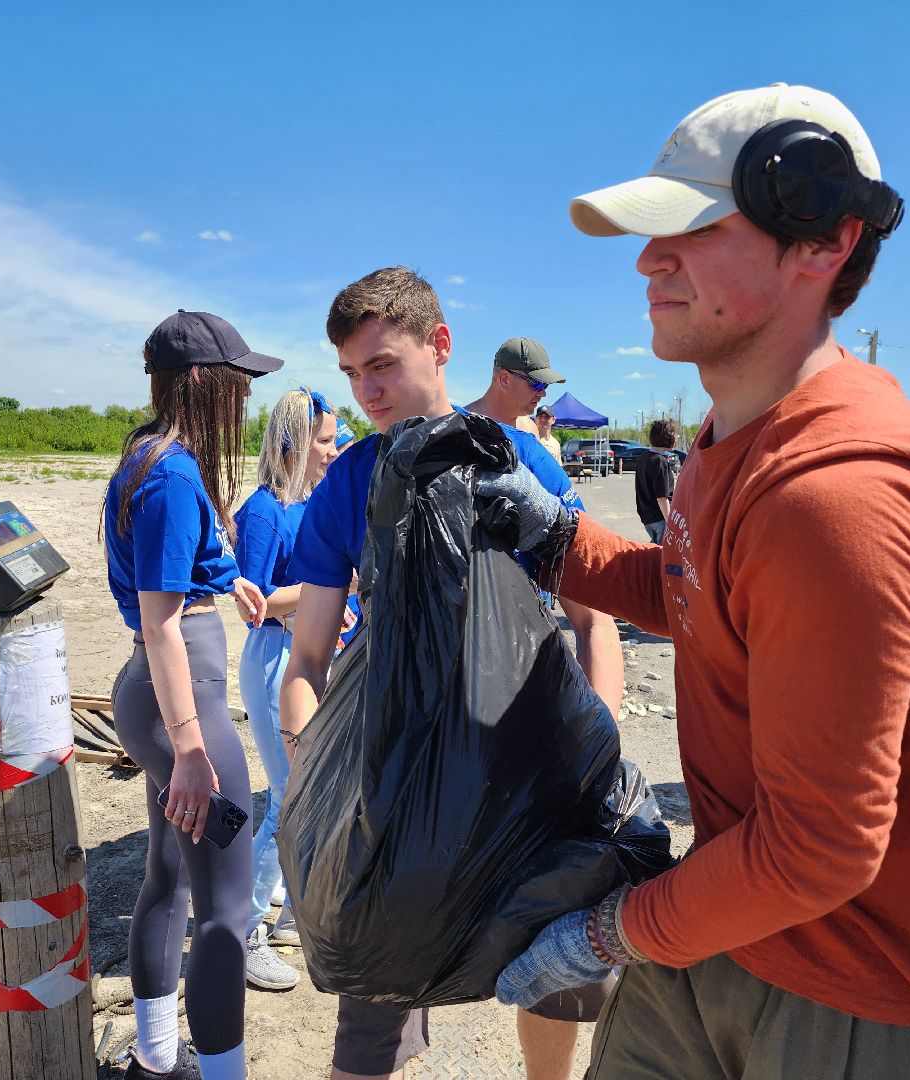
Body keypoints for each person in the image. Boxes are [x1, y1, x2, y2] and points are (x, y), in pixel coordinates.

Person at [480, 84, 910, 1077]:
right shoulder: (734, 440)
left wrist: (611, 935)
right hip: (733, 918)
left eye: (691, 229)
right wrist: (554, 537)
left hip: (858, 989)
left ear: (822, 241)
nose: (648, 260)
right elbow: (698, 596)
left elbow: (820, 850)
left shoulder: (839, 494)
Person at [279, 267, 616, 1080]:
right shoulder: (352, 482)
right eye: (353, 374)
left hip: (530, 772)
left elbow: (592, 618)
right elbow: (308, 661)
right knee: (371, 1003)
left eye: (382, 365)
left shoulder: (521, 459)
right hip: (399, 783)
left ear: (440, 345)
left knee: (555, 976)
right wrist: (312, 768)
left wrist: (599, 753)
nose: (367, 390)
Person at [104, 309, 276, 1080]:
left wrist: (219, 576)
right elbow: (164, 622)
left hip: (152, 688)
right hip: (184, 699)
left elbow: (165, 584)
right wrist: (192, 749)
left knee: (169, 876)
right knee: (227, 911)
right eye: (239, 381)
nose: (246, 397)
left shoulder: (148, 455)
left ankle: (156, 1055)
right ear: (204, 382)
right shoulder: (174, 474)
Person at [233, 387, 339, 992]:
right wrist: (331, 588)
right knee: (287, 796)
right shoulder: (264, 512)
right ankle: (248, 929)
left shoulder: (305, 505)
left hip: (305, 655)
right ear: (295, 442)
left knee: (306, 788)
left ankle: (292, 912)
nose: (331, 452)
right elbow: (254, 604)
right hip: (275, 657)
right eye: (323, 441)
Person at [466, 338, 624, 726]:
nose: (543, 395)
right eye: (536, 384)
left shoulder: (533, 453)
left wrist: (601, 738)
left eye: (547, 386)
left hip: (524, 647)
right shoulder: (449, 435)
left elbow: (593, 611)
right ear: (504, 379)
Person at [465, 336, 564, 432]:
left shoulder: (530, 430)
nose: (543, 393)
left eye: (545, 385)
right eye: (536, 383)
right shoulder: (462, 427)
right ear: (505, 379)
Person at [634, 418, 677, 543]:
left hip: (647, 518)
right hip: (660, 519)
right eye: (674, 434)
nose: (676, 438)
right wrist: (670, 523)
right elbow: (662, 498)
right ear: (667, 437)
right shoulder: (660, 461)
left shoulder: (643, 458)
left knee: (654, 552)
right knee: (661, 558)